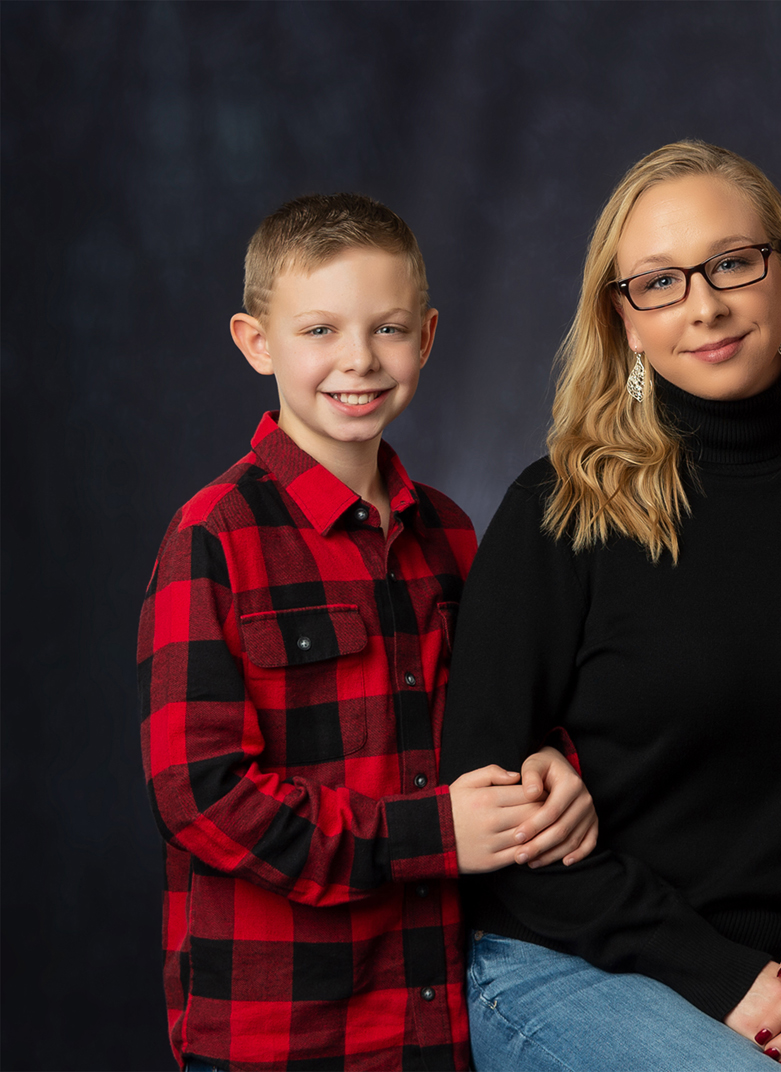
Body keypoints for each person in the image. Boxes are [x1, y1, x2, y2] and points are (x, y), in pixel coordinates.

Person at [438, 141, 781, 1072]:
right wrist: (724, 979)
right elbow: (491, 801)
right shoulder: (561, 509)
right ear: (622, 322)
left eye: (733, 262)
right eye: (657, 282)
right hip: (578, 961)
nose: (704, 304)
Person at [137, 193, 598, 1071]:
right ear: (256, 342)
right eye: (318, 331)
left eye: (387, 329)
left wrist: (553, 763)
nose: (358, 360)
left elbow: (511, 714)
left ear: (425, 339)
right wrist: (430, 837)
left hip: (447, 1018)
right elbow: (200, 794)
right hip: (283, 1030)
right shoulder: (214, 538)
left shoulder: (456, 536)